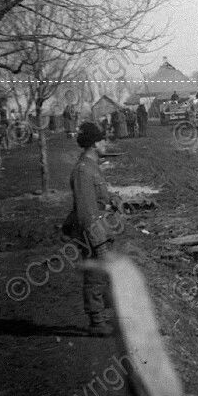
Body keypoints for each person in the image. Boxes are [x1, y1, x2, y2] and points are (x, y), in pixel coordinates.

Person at [68, 122, 116, 336]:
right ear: (95, 143)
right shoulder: (83, 170)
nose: (106, 143)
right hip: (92, 230)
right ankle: (96, 322)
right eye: (103, 139)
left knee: (102, 273)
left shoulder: (91, 165)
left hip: (99, 227)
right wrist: (96, 238)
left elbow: (100, 197)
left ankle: (103, 316)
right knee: (95, 275)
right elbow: (86, 209)